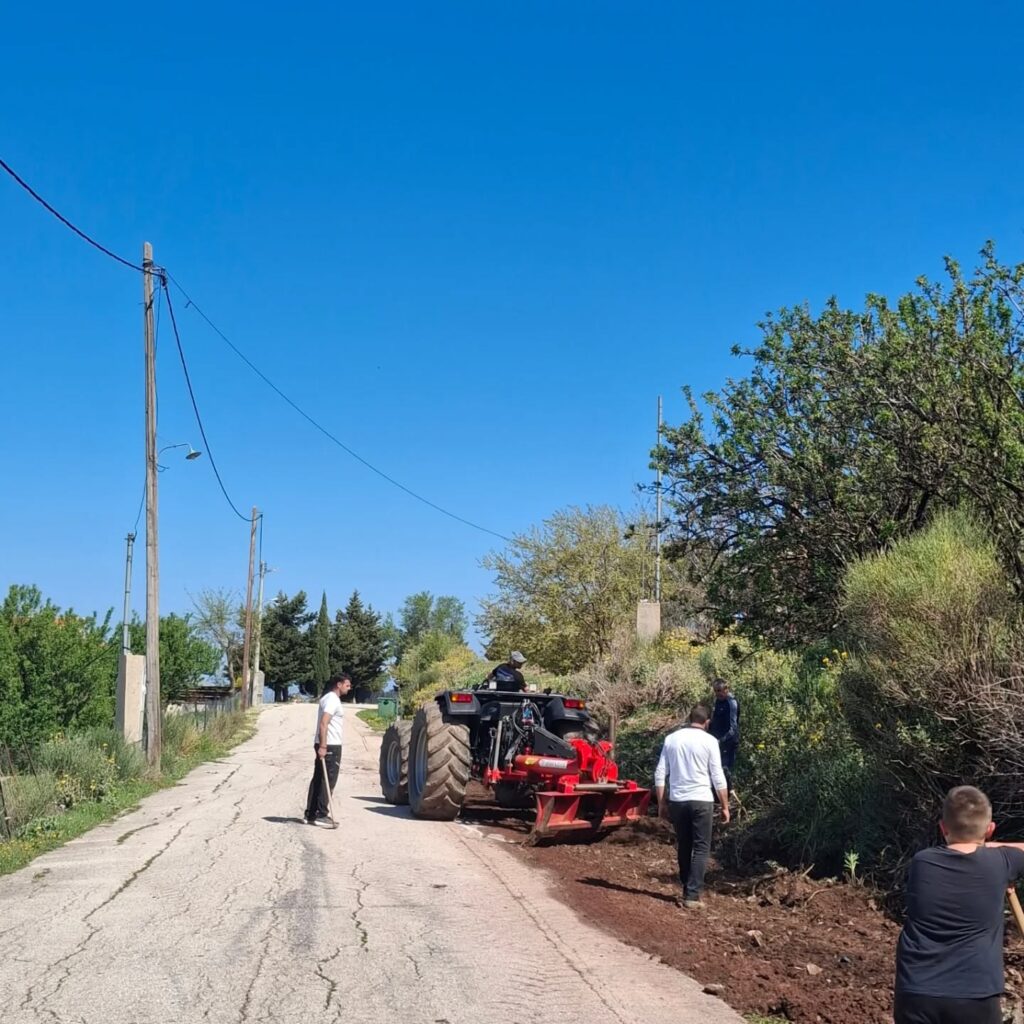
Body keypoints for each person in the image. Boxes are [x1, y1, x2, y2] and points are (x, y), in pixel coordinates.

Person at [894, 785, 1024, 1024]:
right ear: (990, 829)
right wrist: (994, 847)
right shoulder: (1001, 861)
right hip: (976, 995)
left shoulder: (921, 862)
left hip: (917, 992)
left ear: (943, 827)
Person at [654, 705, 730, 909]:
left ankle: (687, 888)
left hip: (678, 800)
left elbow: (660, 772)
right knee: (702, 847)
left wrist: (661, 802)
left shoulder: (672, 739)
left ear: (689, 719)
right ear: (707, 722)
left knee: (684, 845)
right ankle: (692, 895)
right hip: (701, 800)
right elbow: (717, 776)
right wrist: (725, 806)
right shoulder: (710, 741)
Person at [304, 673, 353, 825]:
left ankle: (311, 813)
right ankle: (321, 814)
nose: (349, 688)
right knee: (328, 779)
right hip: (330, 744)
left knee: (318, 778)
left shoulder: (327, 698)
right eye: (347, 685)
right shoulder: (332, 700)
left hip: (325, 743)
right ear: (338, 685)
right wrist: (324, 746)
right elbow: (324, 723)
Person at [708, 678, 740, 788]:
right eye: (715, 691)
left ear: (726, 689)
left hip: (728, 742)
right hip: (716, 741)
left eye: (719, 690)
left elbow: (733, 727)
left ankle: (728, 794)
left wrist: (721, 740)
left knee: (725, 769)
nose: (718, 693)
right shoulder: (717, 701)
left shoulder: (731, 703)